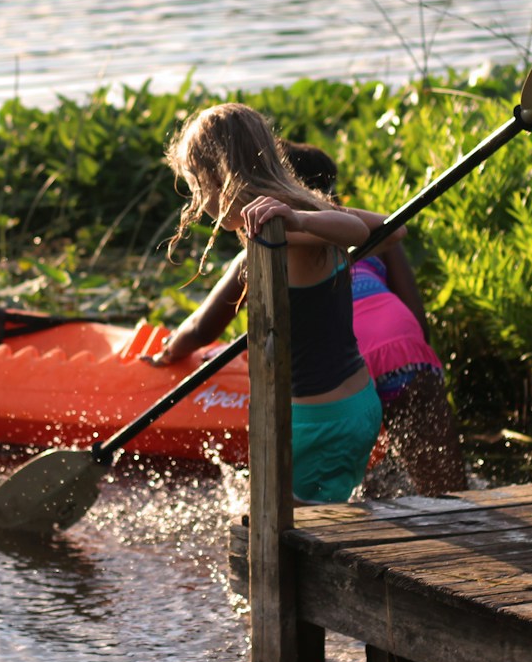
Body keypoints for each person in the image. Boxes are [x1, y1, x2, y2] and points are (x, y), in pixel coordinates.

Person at [149, 137, 467, 496]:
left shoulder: (266, 245)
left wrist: (168, 352)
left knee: (327, 488)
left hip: (340, 373)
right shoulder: (359, 233)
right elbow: (416, 315)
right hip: (405, 352)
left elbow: (200, 329)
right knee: (443, 487)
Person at [145, 102, 382, 504]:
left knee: (284, 539)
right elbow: (389, 229)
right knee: (318, 519)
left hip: (314, 423)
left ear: (217, 178)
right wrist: (308, 211)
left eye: (198, 188)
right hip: (356, 405)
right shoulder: (301, 219)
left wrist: (300, 219)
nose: (200, 205)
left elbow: (358, 229)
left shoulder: (284, 232)